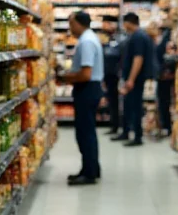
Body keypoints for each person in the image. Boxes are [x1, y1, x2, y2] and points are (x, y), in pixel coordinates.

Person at [60, 11, 104, 185]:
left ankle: (89, 173)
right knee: (88, 131)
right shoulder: (90, 38)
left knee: (85, 133)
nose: (70, 28)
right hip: (90, 89)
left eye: (71, 23)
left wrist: (66, 77)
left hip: (87, 89)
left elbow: (85, 74)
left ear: (79, 23)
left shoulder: (86, 42)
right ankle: (91, 168)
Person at [111, 12, 154, 147]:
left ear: (128, 22)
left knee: (134, 106)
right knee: (129, 105)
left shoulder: (138, 37)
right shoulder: (137, 35)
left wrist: (131, 79)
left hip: (136, 79)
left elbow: (138, 58)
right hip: (134, 78)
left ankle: (137, 137)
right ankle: (126, 132)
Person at [101, 14, 126, 135]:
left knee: (120, 102)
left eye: (106, 23)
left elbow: (118, 56)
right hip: (109, 76)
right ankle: (114, 125)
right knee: (112, 101)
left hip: (118, 75)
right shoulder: (108, 38)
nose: (103, 26)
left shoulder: (120, 38)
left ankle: (123, 127)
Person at [155, 17, 176, 137]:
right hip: (164, 74)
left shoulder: (167, 37)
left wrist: (165, 70)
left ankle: (167, 126)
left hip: (165, 75)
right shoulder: (166, 36)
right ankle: (166, 126)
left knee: (165, 101)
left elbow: (167, 56)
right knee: (164, 101)